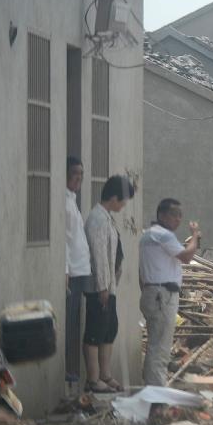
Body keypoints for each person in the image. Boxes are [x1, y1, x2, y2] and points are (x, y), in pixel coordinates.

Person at [139, 199, 201, 386]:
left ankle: (152, 389)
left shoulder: (147, 236)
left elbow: (140, 273)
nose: (178, 219)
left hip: (151, 293)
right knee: (160, 349)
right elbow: (187, 257)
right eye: (175, 215)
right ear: (162, 215)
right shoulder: (164, 235)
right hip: (162, 295)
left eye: (180, 215)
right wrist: (195, 236)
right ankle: (156, 395)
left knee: (155, 345)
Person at [84, 175, 134, 393]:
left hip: (110, 286)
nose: (124, 206)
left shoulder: (107, 218)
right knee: (95, 331)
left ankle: (105, 375)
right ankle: (93, 380)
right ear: (114, 198)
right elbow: (98, 255)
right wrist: (103, 286)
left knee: (109, 329)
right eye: (123, 200)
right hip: (99, 287)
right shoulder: (97, 219)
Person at [65, 157, 92, 388]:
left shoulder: (72, 201)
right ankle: (68, 371)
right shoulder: (64, 203)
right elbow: (63, 241)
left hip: (81, 271)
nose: (79, 178)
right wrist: (65, 271)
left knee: (75, 323)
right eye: (75, 173)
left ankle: (72, 372)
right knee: (69, 324)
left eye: (81, 174)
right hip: (72, 273)